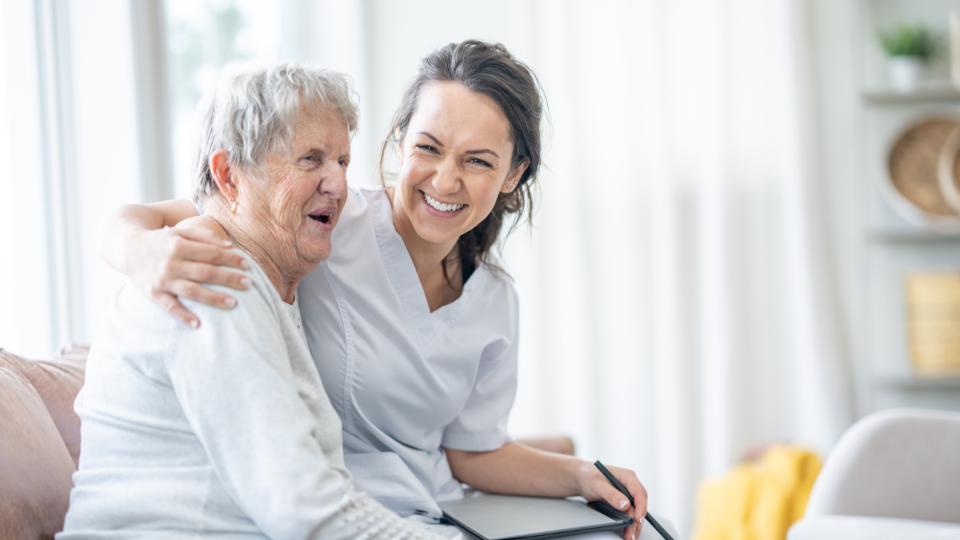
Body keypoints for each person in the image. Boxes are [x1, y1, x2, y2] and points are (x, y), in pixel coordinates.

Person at [102, 41, 651, 540]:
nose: (445, 180)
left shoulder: (494, 300)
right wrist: (138, 250)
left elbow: (471, 451)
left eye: (478, 161)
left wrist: (583, 476)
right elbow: (211, 209)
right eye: (429, 148)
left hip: (438, 510)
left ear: (513, 174)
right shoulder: (319, 224)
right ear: (400, 142)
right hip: (351, 513)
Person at [60, 64, 447, 540]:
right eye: (310, 159)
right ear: (229, 176)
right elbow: (305, 508)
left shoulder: (269, 272)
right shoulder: (211, 271)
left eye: (343, 162)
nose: (338, 185)